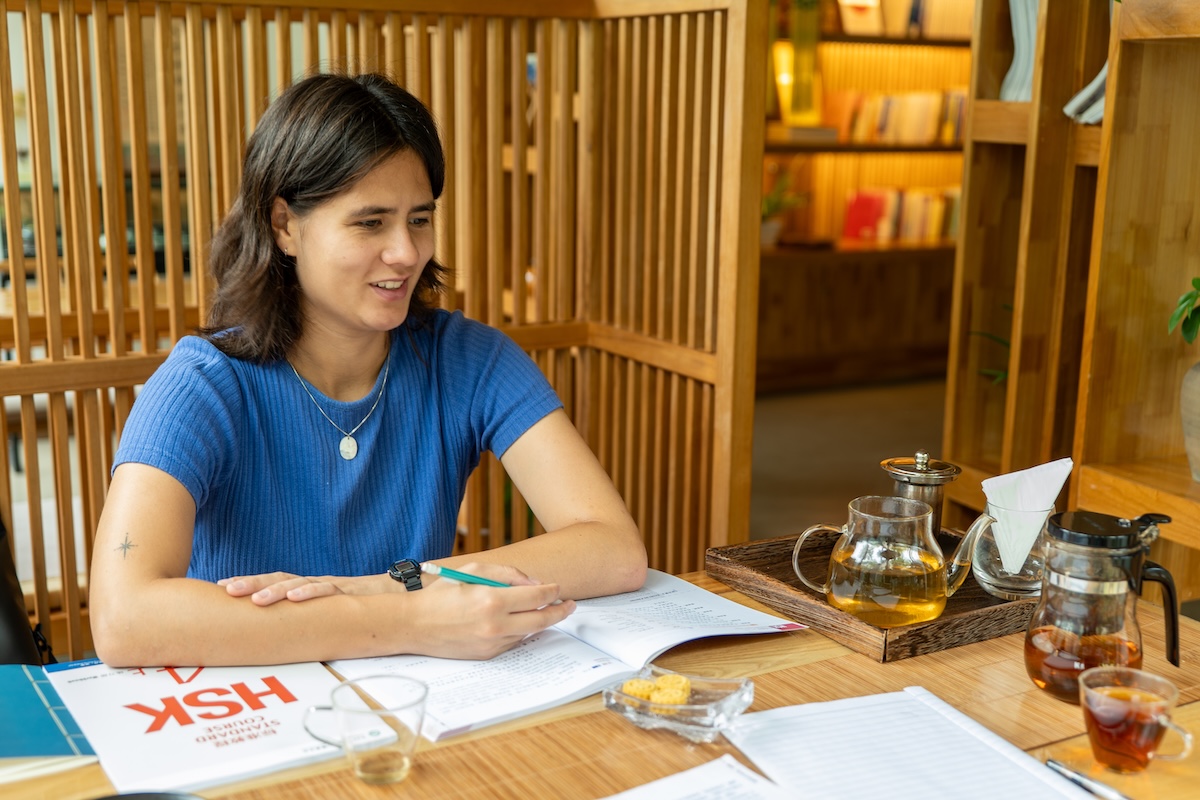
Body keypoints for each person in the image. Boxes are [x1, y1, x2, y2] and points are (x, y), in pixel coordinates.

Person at [89, 73, 646, 668]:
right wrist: (409, 615)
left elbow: (612, 547)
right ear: (285, 226)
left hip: (421, 705)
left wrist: (389, 583)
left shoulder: (468, 360)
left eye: (419, 218)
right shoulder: (203, 384)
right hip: (260, 708)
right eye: (370, 222)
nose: (406, 252)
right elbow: (124, 618)